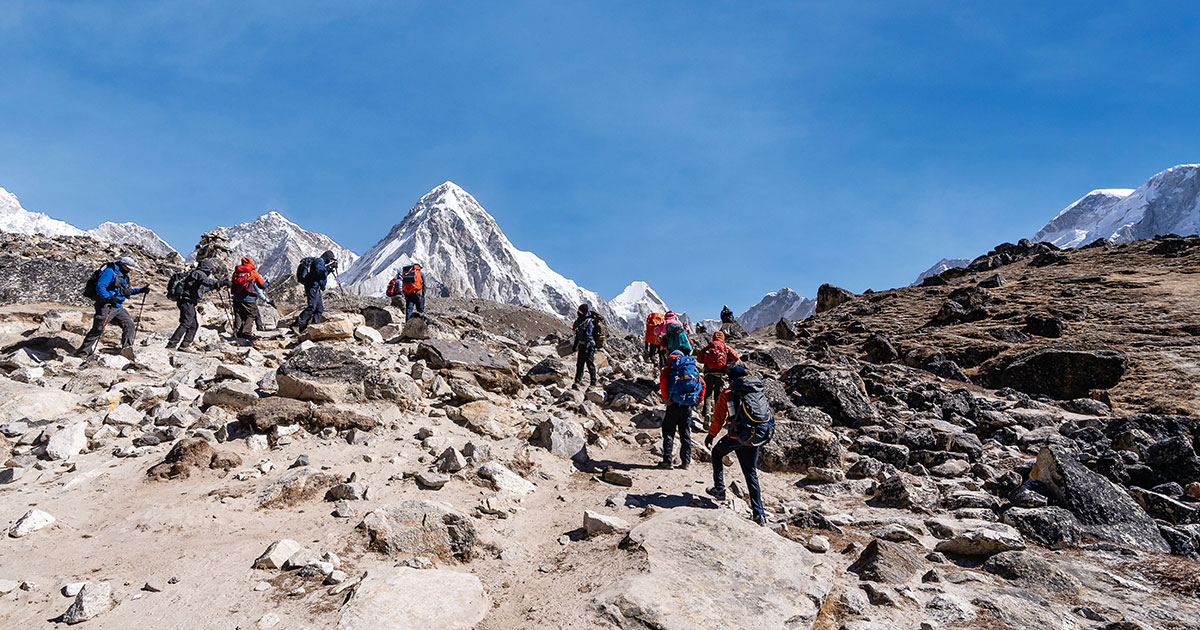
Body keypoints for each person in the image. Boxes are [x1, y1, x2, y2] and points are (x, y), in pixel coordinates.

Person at [704, 365, 774, 525]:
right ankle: (759, 514)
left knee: (716, 453)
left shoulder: (728, 394)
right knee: (751, 473)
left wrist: (710, 435)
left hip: (736, 437)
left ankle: (719, 489)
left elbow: (718, 419)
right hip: (754, 436)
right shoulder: (756, 392)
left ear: (731, 380)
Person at [78, 257, 150, 356]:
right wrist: (108, 298)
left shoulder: (123, 275)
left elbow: (125, 291)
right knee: (98, 329)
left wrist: (140, 290)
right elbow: (100, 286)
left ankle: (127, 351)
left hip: (117, 306)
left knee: (129, 325)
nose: (129, 270)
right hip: (106, 305)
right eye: (128, 268)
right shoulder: (110, 272)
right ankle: (82, 353)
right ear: (123, 264)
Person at [658, 350, 705, 470]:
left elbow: (663, 382)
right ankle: (686, 462)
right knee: (685, 433)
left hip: (673, 404)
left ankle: (667, 461)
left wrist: (666, 399)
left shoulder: (669, 369)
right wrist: (697, 400)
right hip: (687, 406)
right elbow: (702, 385)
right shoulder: (691, 367)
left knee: (668, 432)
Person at [167, 259, 228, 350]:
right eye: (210, 269)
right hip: (186, 301)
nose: (211, 271)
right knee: (186, 323)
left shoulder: (197, 275)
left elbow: (204, 288)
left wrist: (216, 286)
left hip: (188, 302)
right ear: (206, 267)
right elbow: (207, 282)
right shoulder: (199, 273)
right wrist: (221, 283)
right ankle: (172, 344)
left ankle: (185, 345)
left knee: (194, 325)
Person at [699, 330, 740, 421]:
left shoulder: (709, 346)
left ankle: (707, 413)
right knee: (718, 395)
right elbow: (736, 358)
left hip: (708, 373)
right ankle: (717, 416)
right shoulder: (724, 347)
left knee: (708, 394)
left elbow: (699, 359)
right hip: (721, 373)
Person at [296, 250, 336, 333]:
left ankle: (314, 326)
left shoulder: (321, 263)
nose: (331, 261)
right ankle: (296, 324)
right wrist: (329, 267)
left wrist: (329, 270)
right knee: (312, 307)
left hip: (316, 288)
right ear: (328, 257)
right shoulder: (319, 261)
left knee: (319, 308)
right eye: (331, 259)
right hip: (312, 287)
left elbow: (320, 274)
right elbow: (318, 272)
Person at [231, 257, 269, 340]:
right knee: (251, 315)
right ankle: (246, 332)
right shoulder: (253, 273)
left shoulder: (236, 273)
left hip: (236, 298)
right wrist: (267, 283)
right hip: (249, 299)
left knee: (238, 314)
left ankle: (237, 331)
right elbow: (262, 286)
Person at [571, 303, 599, 388]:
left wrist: (587, 348)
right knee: (579, 364)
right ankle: (577, 382)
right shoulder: (580, 321)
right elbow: (577, 335)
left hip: (589, 347)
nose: (578, 312)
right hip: (581, 346)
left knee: (590, 365)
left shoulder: (589, 322)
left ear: (583, 311)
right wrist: (575, 345)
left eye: (580, 311)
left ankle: (593, 382)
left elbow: (589, 336)